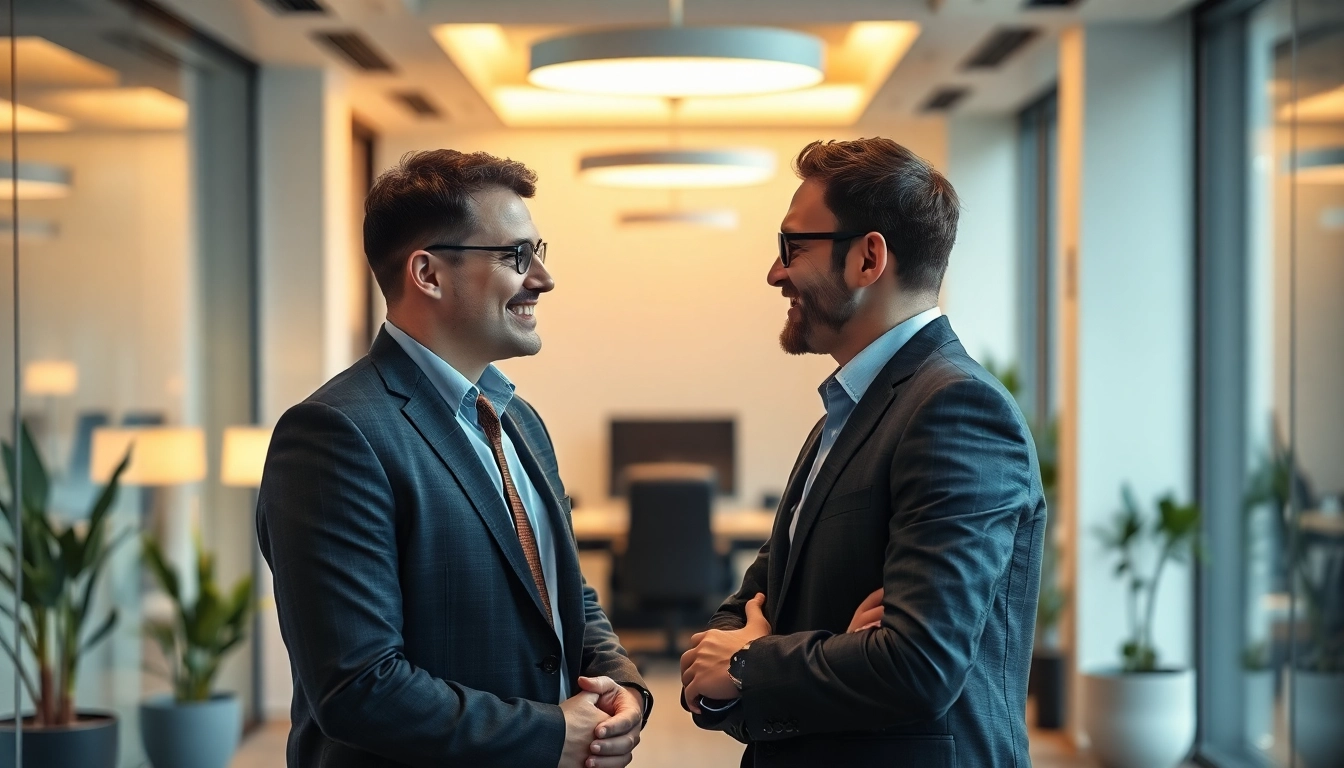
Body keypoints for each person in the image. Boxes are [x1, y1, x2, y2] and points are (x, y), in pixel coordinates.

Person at [258, 149, 650, 768]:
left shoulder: (518, 420)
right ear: (428, 273)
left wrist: (620, 685)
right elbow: (358, 687)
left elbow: (559, 590)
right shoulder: (335, 434)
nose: (542, 279)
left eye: (540, 252)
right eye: (516, 256)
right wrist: (548, 732)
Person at [680, 137, 1045, 767]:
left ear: (868, 257)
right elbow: (749, 608)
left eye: (793, 246)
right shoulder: (847, 413)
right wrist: (753, 662)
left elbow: (918, 664)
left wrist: (749, 662)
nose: (776, 272)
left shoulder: (956, 409)